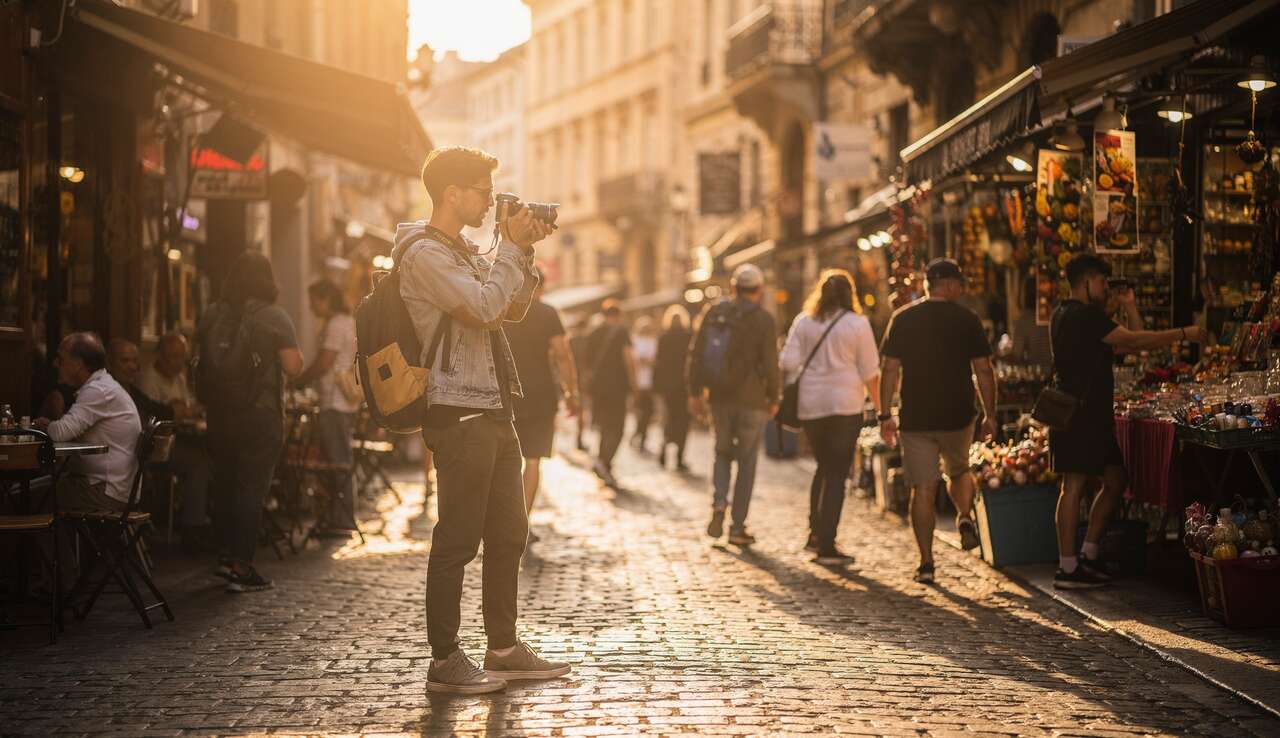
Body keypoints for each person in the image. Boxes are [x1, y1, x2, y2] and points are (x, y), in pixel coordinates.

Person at [392, 146, 567, 695]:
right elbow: (485, 308)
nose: (491, 202)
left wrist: (523, 251)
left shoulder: (461, 251)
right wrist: (509, 248)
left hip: (493, 406)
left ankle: (503, 648)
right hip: (457, 409)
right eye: (483, 192)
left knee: (510, 533)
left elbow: (509, 310)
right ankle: (445, 659)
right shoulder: (425, 255)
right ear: (452, 193)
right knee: (458, 540)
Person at [1048, 254, 1204, 589]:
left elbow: (1131, 341)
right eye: (1102, 282)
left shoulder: (1066, 314)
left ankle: (1088, 554)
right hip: (1078, 415)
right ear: (1086, 281)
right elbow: (1134, 341)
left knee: (1116, 480)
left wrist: (1129, 305)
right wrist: (1183, 333)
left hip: (1092, 416)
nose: (1106, 288)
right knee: (1073, 486)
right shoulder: (1085, 316)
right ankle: (1067, 567)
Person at [878, 258, 997, 584]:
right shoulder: (967, 319)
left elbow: (889, 369)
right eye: (960, 284)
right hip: (958, 415)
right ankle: (963, 515)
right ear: (950, 285)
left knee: (923, 488)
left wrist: (885, 414)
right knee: (959, 471)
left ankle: (926, 563)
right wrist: (990, 414)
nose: (962, 290)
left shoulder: (903, 318)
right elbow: (984, 370)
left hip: (916, 417)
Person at [196, 250, 303, 593]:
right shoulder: (273, 316)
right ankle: (241, 566)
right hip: (260, 413)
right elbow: (293, 366)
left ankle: (224, 557)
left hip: (219, 413)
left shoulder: (211, 314)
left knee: (225, 485)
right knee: (251, 489)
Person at [780, 269, 883, 565]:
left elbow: (787, 362)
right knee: (837, 472)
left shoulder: (804, 322)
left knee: (823, 467)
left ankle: (815, 534)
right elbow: (870, 372)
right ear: (850, 294)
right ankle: (827, 544)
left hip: (812, 406)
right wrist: (882, 410)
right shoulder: (857, 324)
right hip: (845, 405)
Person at [33, 332, 142, 589]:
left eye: (61, 358)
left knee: (32, 502)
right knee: (28, 493)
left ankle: (61, 582)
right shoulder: (101, 386)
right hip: (111, 486)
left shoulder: (98, 391)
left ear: (78, 363)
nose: (56, 364)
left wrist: (46, 425)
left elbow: (61, 432)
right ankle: (60, 579)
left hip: (106, 490)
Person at [687, 263, 780, 546]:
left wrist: (694, 393)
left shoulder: (715, 312)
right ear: (759, 290)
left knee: (722, 452)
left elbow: (696, 353)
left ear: (733, 287)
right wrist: (773, 397)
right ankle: (737, 526)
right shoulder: (764, 319)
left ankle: (718, 503)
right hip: (752, 400)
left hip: (719, 397)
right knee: (747, 461)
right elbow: (771, 363)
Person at [114, 335, 214, 547]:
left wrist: (178, 411)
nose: (178, 362)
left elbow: (176, 409)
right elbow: (160, 414)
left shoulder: (136, 387)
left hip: (165, 442)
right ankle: (192, 529)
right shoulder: (132, 385)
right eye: (125, 361)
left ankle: (202, 520)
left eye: (135, 361)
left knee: (210, 455)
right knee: (199, 462)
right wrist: (176, 411)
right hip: (142, 450)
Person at [504, 269, 580, 532]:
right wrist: (571, 392)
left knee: (505, 461)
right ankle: (522, 522)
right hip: (540, 394)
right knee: (533, 460)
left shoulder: (503, 311)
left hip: (506, 394)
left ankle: (506, 520)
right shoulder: (548, 313)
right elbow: (562, 354)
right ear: (541, 287)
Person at [293, 279, 361, 537]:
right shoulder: (347, 321)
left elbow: (325, 362)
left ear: (325, 299)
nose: (311, 307)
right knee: (339, 460)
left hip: (334, 401)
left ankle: (341, 519)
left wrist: (299, 380)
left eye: (313, 301)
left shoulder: (335, 324)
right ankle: (338, 516)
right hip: (344, 403)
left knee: (336, 462)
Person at [584, 300, 636, 488]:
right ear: (618, 315)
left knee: (604, 425)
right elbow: (628, 359)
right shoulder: (622, 332)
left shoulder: (593, 334)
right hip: (618, 387)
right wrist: (635, 385)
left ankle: (602, 461)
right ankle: (605, 461)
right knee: (617, 427)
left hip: (599, 388)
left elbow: (586, 366)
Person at [653, 305, 692, 472]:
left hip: (668, 387)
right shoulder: (688, 337)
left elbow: (658, 363)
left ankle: (664, 446)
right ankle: (679, 457)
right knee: (683, 421)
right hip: (684, 386)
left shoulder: (663, 338)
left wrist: (657, 386)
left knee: (669, 418)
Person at [629, 316, 658, 454]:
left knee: (648, 412)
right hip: (638, 383)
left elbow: (655, 360)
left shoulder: (653, 341)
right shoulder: (635, 341)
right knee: (641, 411)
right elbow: (635, 360)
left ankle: (639, 435)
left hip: (650, 383)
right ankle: (639, 436)